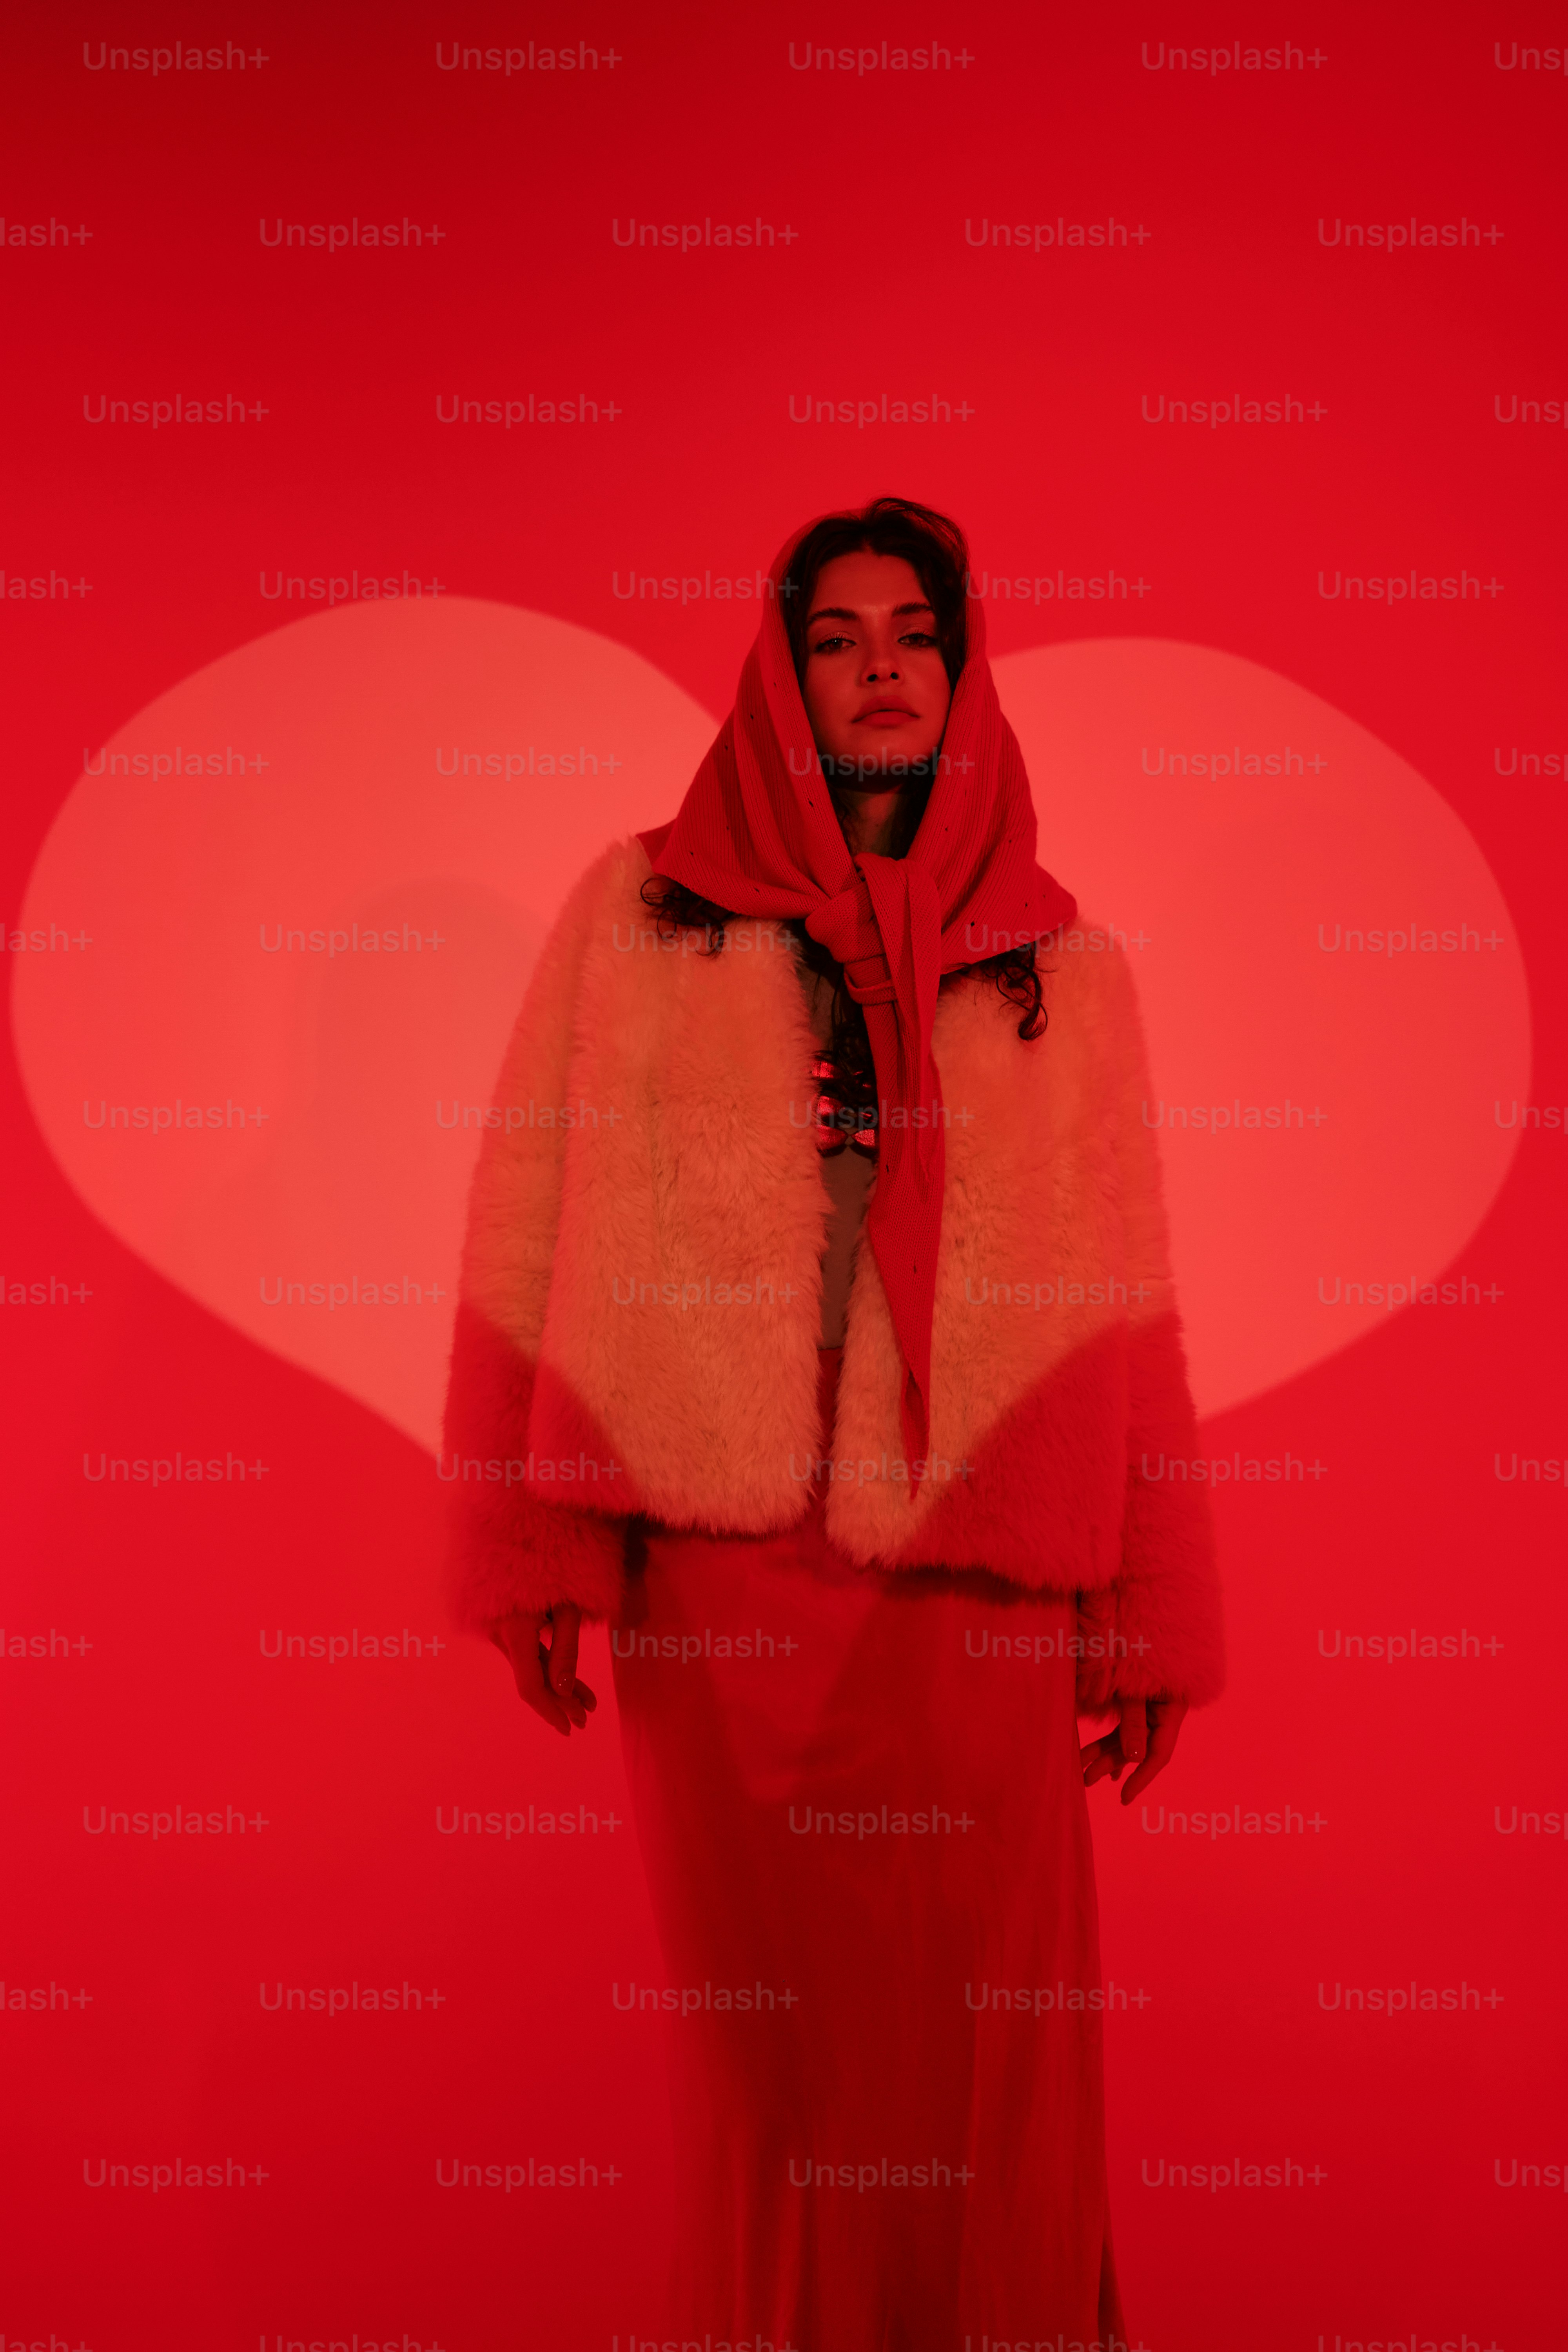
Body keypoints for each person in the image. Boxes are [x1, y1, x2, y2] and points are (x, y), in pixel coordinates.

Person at [442, 496, 1225, 2346]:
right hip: (724, 1605)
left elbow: (1131, 1298)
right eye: (838, 636)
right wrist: (531, 1538)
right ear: (784, 676)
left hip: (981, 1606)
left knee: (990, 2069)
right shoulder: (640, 909)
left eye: (915, 634)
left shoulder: (1063, 964)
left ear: (961, 674)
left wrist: (1153, 1613)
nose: (881, 665)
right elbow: (526, 1216)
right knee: (773, 2078)